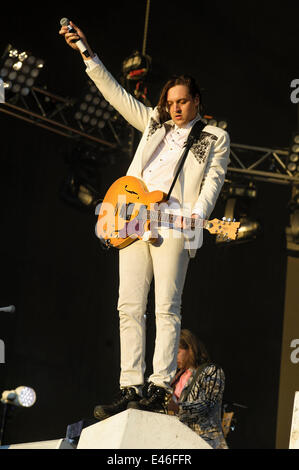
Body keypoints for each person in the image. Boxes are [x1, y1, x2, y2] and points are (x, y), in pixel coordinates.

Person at [59, 22, 230, 420]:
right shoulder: (154, 124)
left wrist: (197, 218)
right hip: (134, 220)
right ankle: (130, 385)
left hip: (173, 222)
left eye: (183, 101)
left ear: (196, 101)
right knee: (128, 305)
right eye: (171, 102)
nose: (175, 107)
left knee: (167, 307)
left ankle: (159, 385)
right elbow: (117, 95)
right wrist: (87, 53)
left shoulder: (213, 136)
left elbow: (213, 181)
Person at [169, 329, 228, 449]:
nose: (174, 358)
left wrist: (177, 407)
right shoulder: (176, 377)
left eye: (178, 352)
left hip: (205, 442)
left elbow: (206, 404)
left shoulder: (211, 371)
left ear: (190, 349)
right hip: (180, 442)